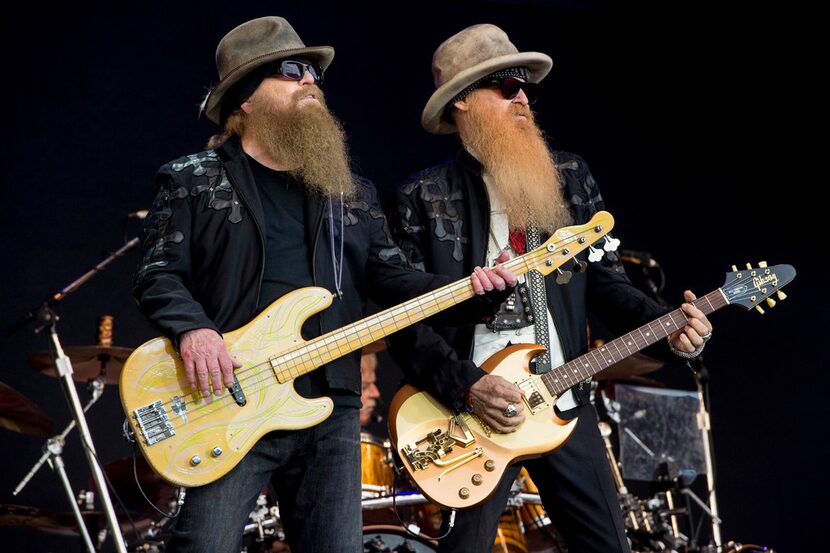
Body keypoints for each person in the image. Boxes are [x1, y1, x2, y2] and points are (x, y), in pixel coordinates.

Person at [132, 16, 516, 553]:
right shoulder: (193, 179)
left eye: (313, 72)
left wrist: (473, 292)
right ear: (244, 98)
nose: (311, 80)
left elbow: (393, 280)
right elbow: (156, 272)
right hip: (229, 400)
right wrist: (194, 330)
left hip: (330, 411)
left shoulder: (350, 193)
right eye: (292, 72)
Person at [385, 23, 714, 553]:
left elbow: (608, 286)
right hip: (468, 411)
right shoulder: (420, 197)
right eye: (507, 88)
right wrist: (468, 386)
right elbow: (405, 322)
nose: (523, 99)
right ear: (463, 102)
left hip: (563, 399)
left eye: (528, 90)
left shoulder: (568, 176)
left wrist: (670, 333)